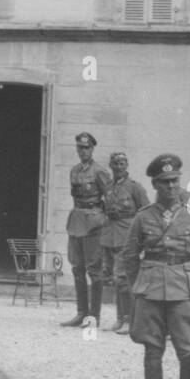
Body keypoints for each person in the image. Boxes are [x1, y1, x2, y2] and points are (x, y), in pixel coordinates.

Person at [116, 154, 190, 379]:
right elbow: (130, 256)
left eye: (175, 181)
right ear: (155, 184)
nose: (171, 187)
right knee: (152, 351)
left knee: (188, 351)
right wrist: (139, 285)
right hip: (151, 288)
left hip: (183, 289)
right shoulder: (143, 216)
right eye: (165, 182)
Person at [61, 131, 112, 327]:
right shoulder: (74, 171)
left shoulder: (99, 171)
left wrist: (102, 221)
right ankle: (81, 312)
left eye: (86, 148)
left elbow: (110, 199)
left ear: (92, 149)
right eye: (79, 148)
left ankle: (94, 316)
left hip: (93, 224)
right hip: (76, 221)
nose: (82, 151)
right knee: (77, 269)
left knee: (94, 270)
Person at [100, 151, 148, 334]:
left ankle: (130, 320)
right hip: (109, 236)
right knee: (115, 278)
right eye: (115, 163)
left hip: (127, 237)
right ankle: (121, 318)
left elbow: (145, 213)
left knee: (124, 278)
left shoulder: (135, 188)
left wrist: (141, 240)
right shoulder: (108, 186)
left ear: (126, 165)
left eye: (122, 163)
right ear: (111, 166)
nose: (118, 167)